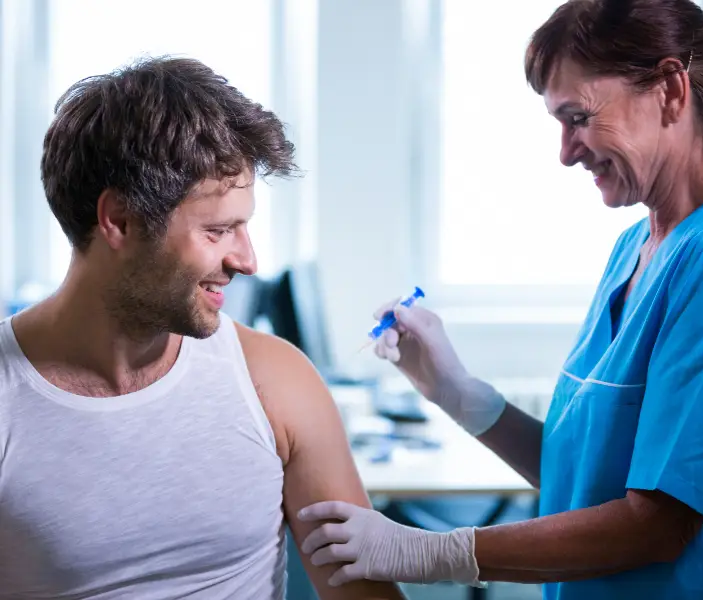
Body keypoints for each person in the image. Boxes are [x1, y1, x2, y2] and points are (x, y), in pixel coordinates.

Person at [297, 0, 703, 598]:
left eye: (580, 117)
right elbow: (585, 480)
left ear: (670, 90)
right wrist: (460, 395)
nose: (566, 151)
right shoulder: (638, 246)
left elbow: (658, 525)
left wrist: (427, 551)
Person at [0, 57, 405, 600]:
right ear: (118, 220)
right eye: (218, 230)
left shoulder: (276, 381)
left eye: (245, 226)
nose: (248, 260)